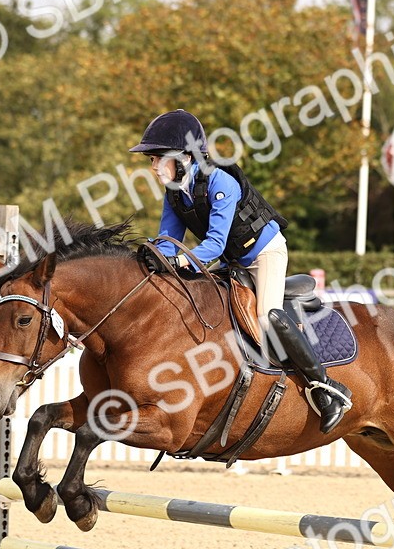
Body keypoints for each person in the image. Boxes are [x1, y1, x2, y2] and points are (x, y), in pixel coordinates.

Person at [129, 109, 351, 433]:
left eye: (156, 159)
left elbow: (215, 244)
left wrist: (178, 262)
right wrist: (151, 260)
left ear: (182, 157)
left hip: (264, 253)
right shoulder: (175, 192)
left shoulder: (222, 182)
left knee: (267, 316)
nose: (151, 168)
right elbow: (169, 241)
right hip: (234, 261)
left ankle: (326, 387)